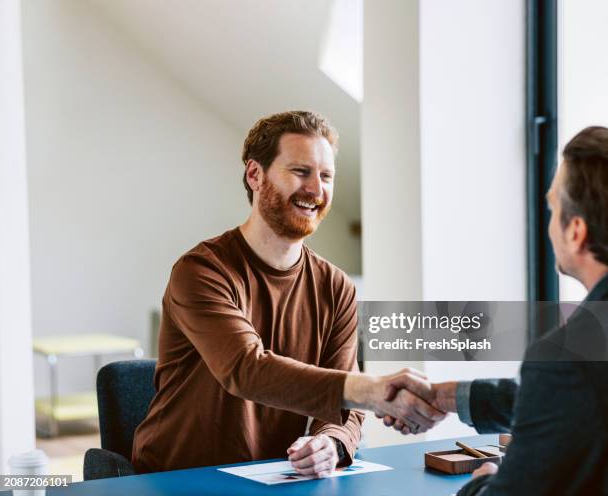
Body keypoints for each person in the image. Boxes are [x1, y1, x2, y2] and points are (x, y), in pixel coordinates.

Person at [131, 110, 445, 476]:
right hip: (179, 480)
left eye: (326, 176)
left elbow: (346, 411)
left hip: (276, 478)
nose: (316, 189)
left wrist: (331, 442)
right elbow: (246, 369)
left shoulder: (336, 287)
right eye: (301, 172)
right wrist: (373, 389)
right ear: (255, 175)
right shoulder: (202, 271)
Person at [380, 126, 608, 494]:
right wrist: (445, 396)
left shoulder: (566, 358)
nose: (549, 225)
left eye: (552, 208)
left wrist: (483, 483)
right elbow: (572, 397)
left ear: (576, 231)